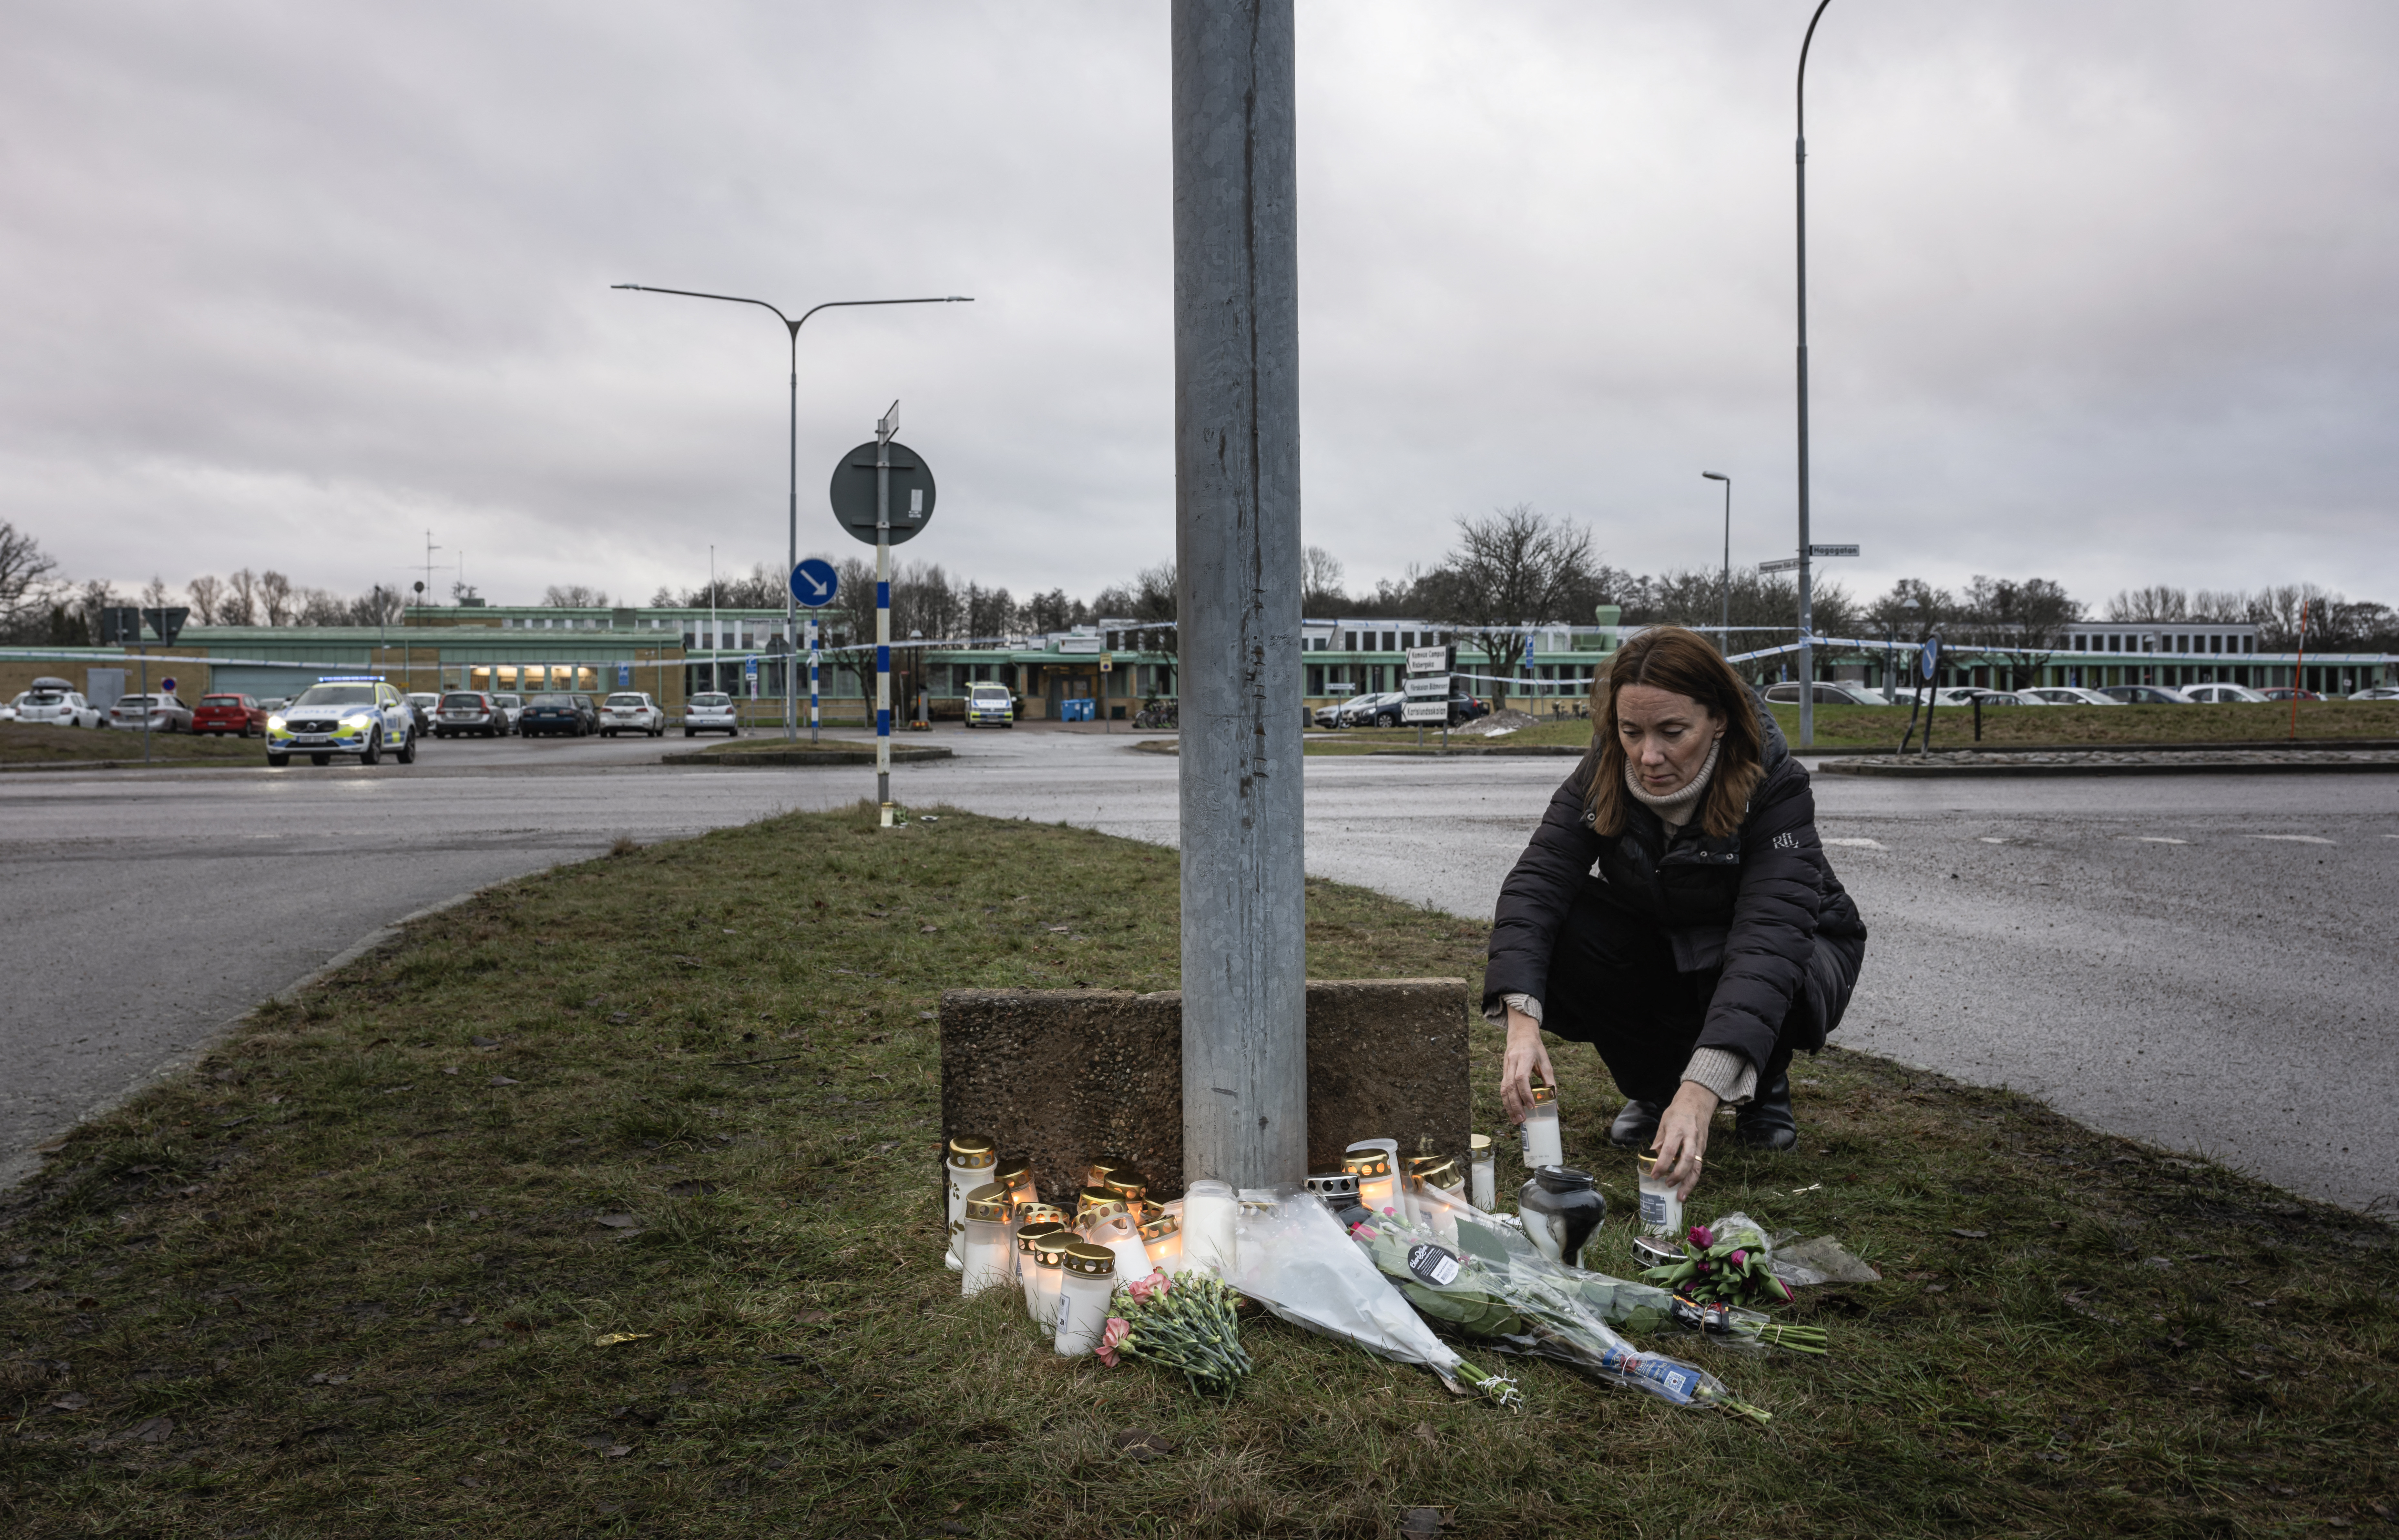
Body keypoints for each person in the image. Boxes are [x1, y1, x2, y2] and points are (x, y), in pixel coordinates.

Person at [1484, 624, 1867, 1203]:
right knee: (1569, 927)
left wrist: (1699, 1097)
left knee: (1737, 956)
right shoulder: (1603, 773)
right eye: (1630, 732)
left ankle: (1757, 1088)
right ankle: (1656, 1088)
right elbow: (1537, 883)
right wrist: (1521, 1021)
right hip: (1671, 943)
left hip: (1795, 953)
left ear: (1718, 720)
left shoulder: (1776, 786)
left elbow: (1769, 939)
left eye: (1672, 732)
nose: (1648, 756)